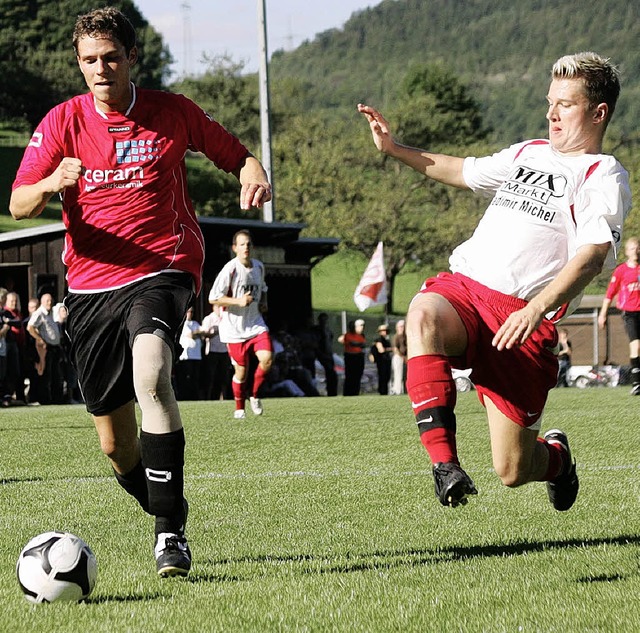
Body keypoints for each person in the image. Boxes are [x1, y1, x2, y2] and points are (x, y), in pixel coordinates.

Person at [9, 7, 271, 577]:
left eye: (109, 57)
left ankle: (168, 534)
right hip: (90, 285)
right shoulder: (61, 123)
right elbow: (18, 203)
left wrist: (251, 170)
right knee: (114, 445)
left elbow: (236, 154)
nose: (99, 69)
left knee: (151, 372)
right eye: (88, 61)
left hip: (164, 265)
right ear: (78, 65)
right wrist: (54, 182)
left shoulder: (171, 112)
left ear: (131, 58)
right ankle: (166, 504)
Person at [358, 51, 630, 512]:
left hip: (523, 320)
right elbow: (462, 170)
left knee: (512, 469)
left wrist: (536, 308)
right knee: (422, 315)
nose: (551, 112)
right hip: (466, 289)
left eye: (565, 104)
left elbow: (592, 256)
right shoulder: (528, 152)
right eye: (550, 101)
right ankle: (444, 465)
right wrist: (395, 148)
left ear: (598, 112)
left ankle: (559, 461)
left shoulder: (603, 175)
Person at [209, 230, 273, 419]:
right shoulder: (230, 269)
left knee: (267, 359)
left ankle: (254, 395)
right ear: (234, 248)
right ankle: (239, 408)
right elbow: (213, 298)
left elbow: (264, 288)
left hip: (255, 324)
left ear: (252, 247)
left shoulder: (259, 267)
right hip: (234, 329)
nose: (246, 247)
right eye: (242, 244)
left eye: (249, 244)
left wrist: (264, 302)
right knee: (241, 372)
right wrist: (238, 301)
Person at [598, 236, 640, 394]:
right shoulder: (621, 270)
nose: (635, 251)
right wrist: (602, 314)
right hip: (630, 313)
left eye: (637, 248)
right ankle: (636, 383)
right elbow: (610, 294)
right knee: (636, 345)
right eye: (632, 248)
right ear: (627, 252)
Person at [26, 293, 63, 405]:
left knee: (56, 374)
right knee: (46, 375)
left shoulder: (51, 313)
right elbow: (30, 327)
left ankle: (56, 399)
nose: (49, 303)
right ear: (42, 302)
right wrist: (40, 339)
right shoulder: (39, 313)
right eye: (47, 301)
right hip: (46, 348)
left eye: (51, 300)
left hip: (55, 347)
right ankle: (45, 400)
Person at [200, 304, 232, 400]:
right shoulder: (209, 318)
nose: (220, 309)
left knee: (224, 376)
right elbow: (203, 335)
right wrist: (215, 333)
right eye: (218, 307)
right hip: (212, 351)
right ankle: (209, 398)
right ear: (214, 307)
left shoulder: (226, 318)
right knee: (211, 376)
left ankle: (224, 397)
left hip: (224, 350)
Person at [176, 306, 204, 401]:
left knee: (195, 378)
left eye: (192, 312)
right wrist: (198, 333)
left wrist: (198, 333)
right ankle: (185, 397)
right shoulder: (183, 324)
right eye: (188, 311)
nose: (190, 314)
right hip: (186, 356)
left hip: (197, 355)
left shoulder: (195, 323)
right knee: (186, 378)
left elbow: (204, 332)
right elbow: (191, 335)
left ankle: (194, 397)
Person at [338, 319, 366, 396]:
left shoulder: (360, 335)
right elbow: (351, 343)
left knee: (357, 376)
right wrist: (357, 344)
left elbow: (363, 344)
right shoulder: (347, 335)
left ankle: (355, 392)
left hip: (358, 356)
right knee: (349, 376)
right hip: (350, 356)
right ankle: (347, 393)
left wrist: (356, 344)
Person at [314, 312, 338, 396]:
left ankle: (332, 392)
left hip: (328, 353)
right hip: (321, 354)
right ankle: (330, 391)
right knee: (329, 372)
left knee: (332, 373)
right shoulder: (317, 330)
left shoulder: (327, 330)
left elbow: (330, 340)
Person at [370, 323, 393, 395]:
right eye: (383, 330)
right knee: (382, 377)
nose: (385, 332)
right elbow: (381, 350)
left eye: (385, 330)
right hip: (381, 361)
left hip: (386, 361)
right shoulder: (379, 340)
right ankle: (382, 392)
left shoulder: (386, 340)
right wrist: (392, 349)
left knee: (386, 377)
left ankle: (384, 392)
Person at [391, 319, 407, 395]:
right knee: (398, 375)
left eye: (403, 326)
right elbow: (395, 349)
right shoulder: (396, 337)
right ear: (397, 327)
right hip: (398, 357)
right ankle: (398, 391)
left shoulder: (405, 336)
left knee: (405, 376)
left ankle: (405, 391)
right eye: (400, 326)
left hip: (405, 358)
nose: (402, 328)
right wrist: (403, 357)